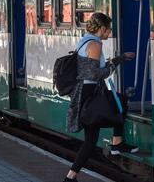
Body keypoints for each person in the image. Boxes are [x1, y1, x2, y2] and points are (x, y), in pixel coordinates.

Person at [64, 13, 137, 182]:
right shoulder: (95, 45)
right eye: (108, 29)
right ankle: (117, 143)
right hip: (90, 91)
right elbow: (95, 73)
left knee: (91, 139)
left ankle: (71, 177)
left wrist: (119, 58)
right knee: (120, 102)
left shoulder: (84, 41)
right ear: (101, 29)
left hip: (85, 91)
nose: (109, 33)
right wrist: (114, 64)